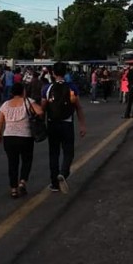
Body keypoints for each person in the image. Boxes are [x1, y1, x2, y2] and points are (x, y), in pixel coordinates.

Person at [41, 62, 86, 194]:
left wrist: (41, 123)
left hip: (52, 124)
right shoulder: (72, 87)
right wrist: (82, 125)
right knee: (68, 152)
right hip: (67, 123)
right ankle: (64, 172)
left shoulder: (47, 89)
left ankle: (54, 183)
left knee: (53, 153)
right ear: (66, 73)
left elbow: (42, 109)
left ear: (53, 73)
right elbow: (78, 107)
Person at [0, 82, 44, 198]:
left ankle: (13, 189)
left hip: (9, 136)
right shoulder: (28, 102)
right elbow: (40, 111)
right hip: (25, 136)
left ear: (12, 92)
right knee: (26, 160)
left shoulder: (5, 105)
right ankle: (22, 181)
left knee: (12, 163)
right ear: (23, 91)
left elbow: (0, 122)